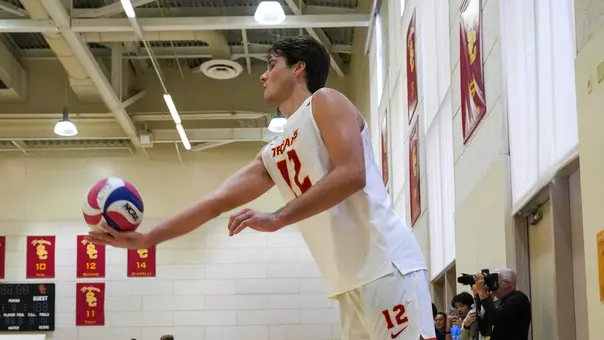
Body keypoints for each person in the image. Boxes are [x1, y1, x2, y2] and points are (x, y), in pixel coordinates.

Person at [86, 35, 435, 340]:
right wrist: (149, 239)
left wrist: (278, 217)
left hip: (386, 265)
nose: (263, 75)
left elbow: (351, 174)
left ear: (299, 68)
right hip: (349, 282)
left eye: (271, 65)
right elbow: (215, 202)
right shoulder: (275, 151)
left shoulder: (326, 101)